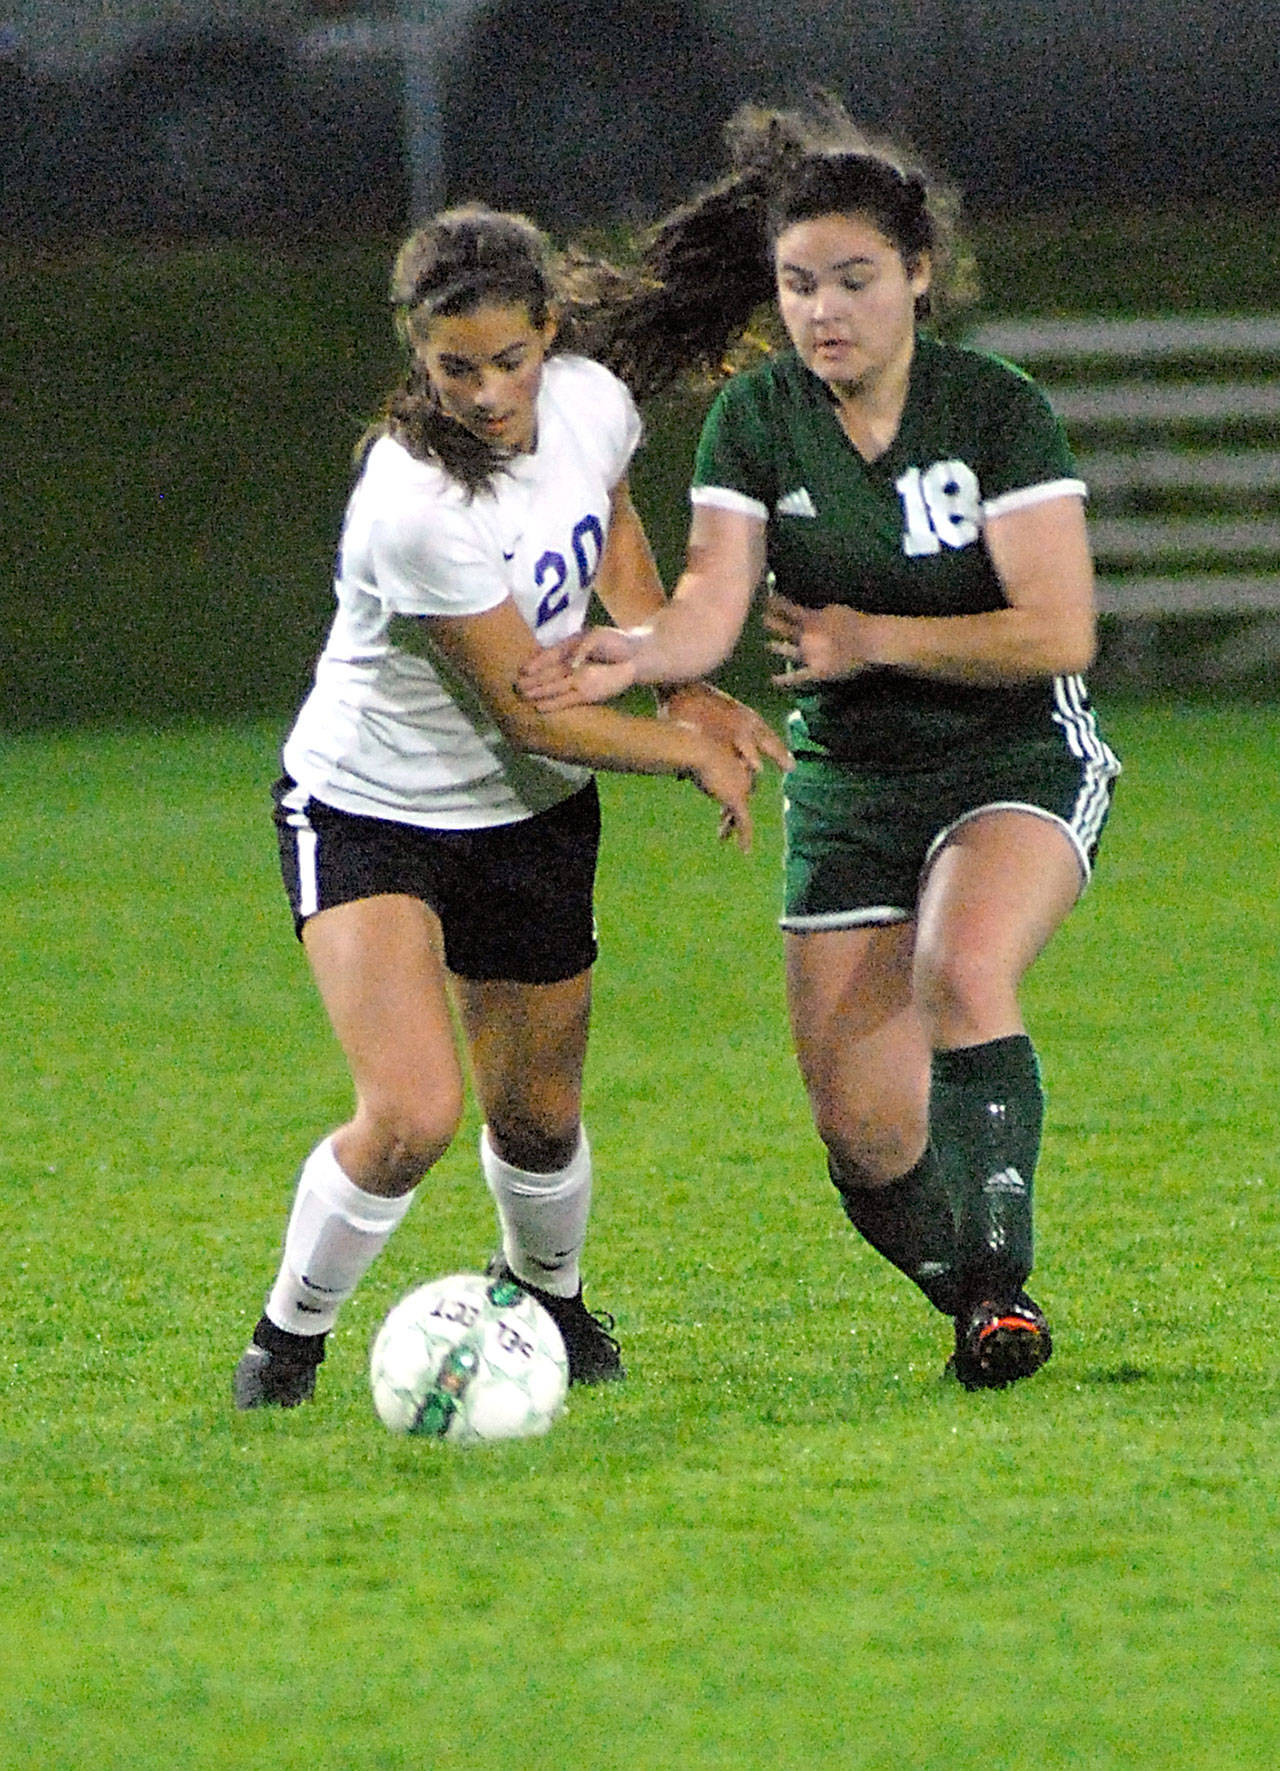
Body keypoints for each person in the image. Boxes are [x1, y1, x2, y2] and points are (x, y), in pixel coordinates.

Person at [520, 104, 1122, 1391]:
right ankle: (969, 1295)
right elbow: (707, 607)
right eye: (797, 285)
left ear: (915, 274)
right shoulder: (757, 419)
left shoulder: (992, 411)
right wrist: (636, 655)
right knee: (862, 1137)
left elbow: (1060, 629)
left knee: (963, 970)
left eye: (852, 279)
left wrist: (877, 637)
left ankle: (1003, 1298)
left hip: (1010, 759)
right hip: (852, 785)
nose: (822, 310)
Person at [233, 205, 786, 1409]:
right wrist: (684, 749)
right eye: (453, 369)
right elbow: (526, 714)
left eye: (508, 359)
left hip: (530, 819)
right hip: (370, 812)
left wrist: (672, 672)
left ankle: (551, 1301)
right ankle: (287, 1341)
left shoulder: (588, 400)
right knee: (414, 1112)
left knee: (537, 1120)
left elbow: (615, 520)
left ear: (548, 331)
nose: (486, 393)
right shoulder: (412, 501)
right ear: (414, 356)